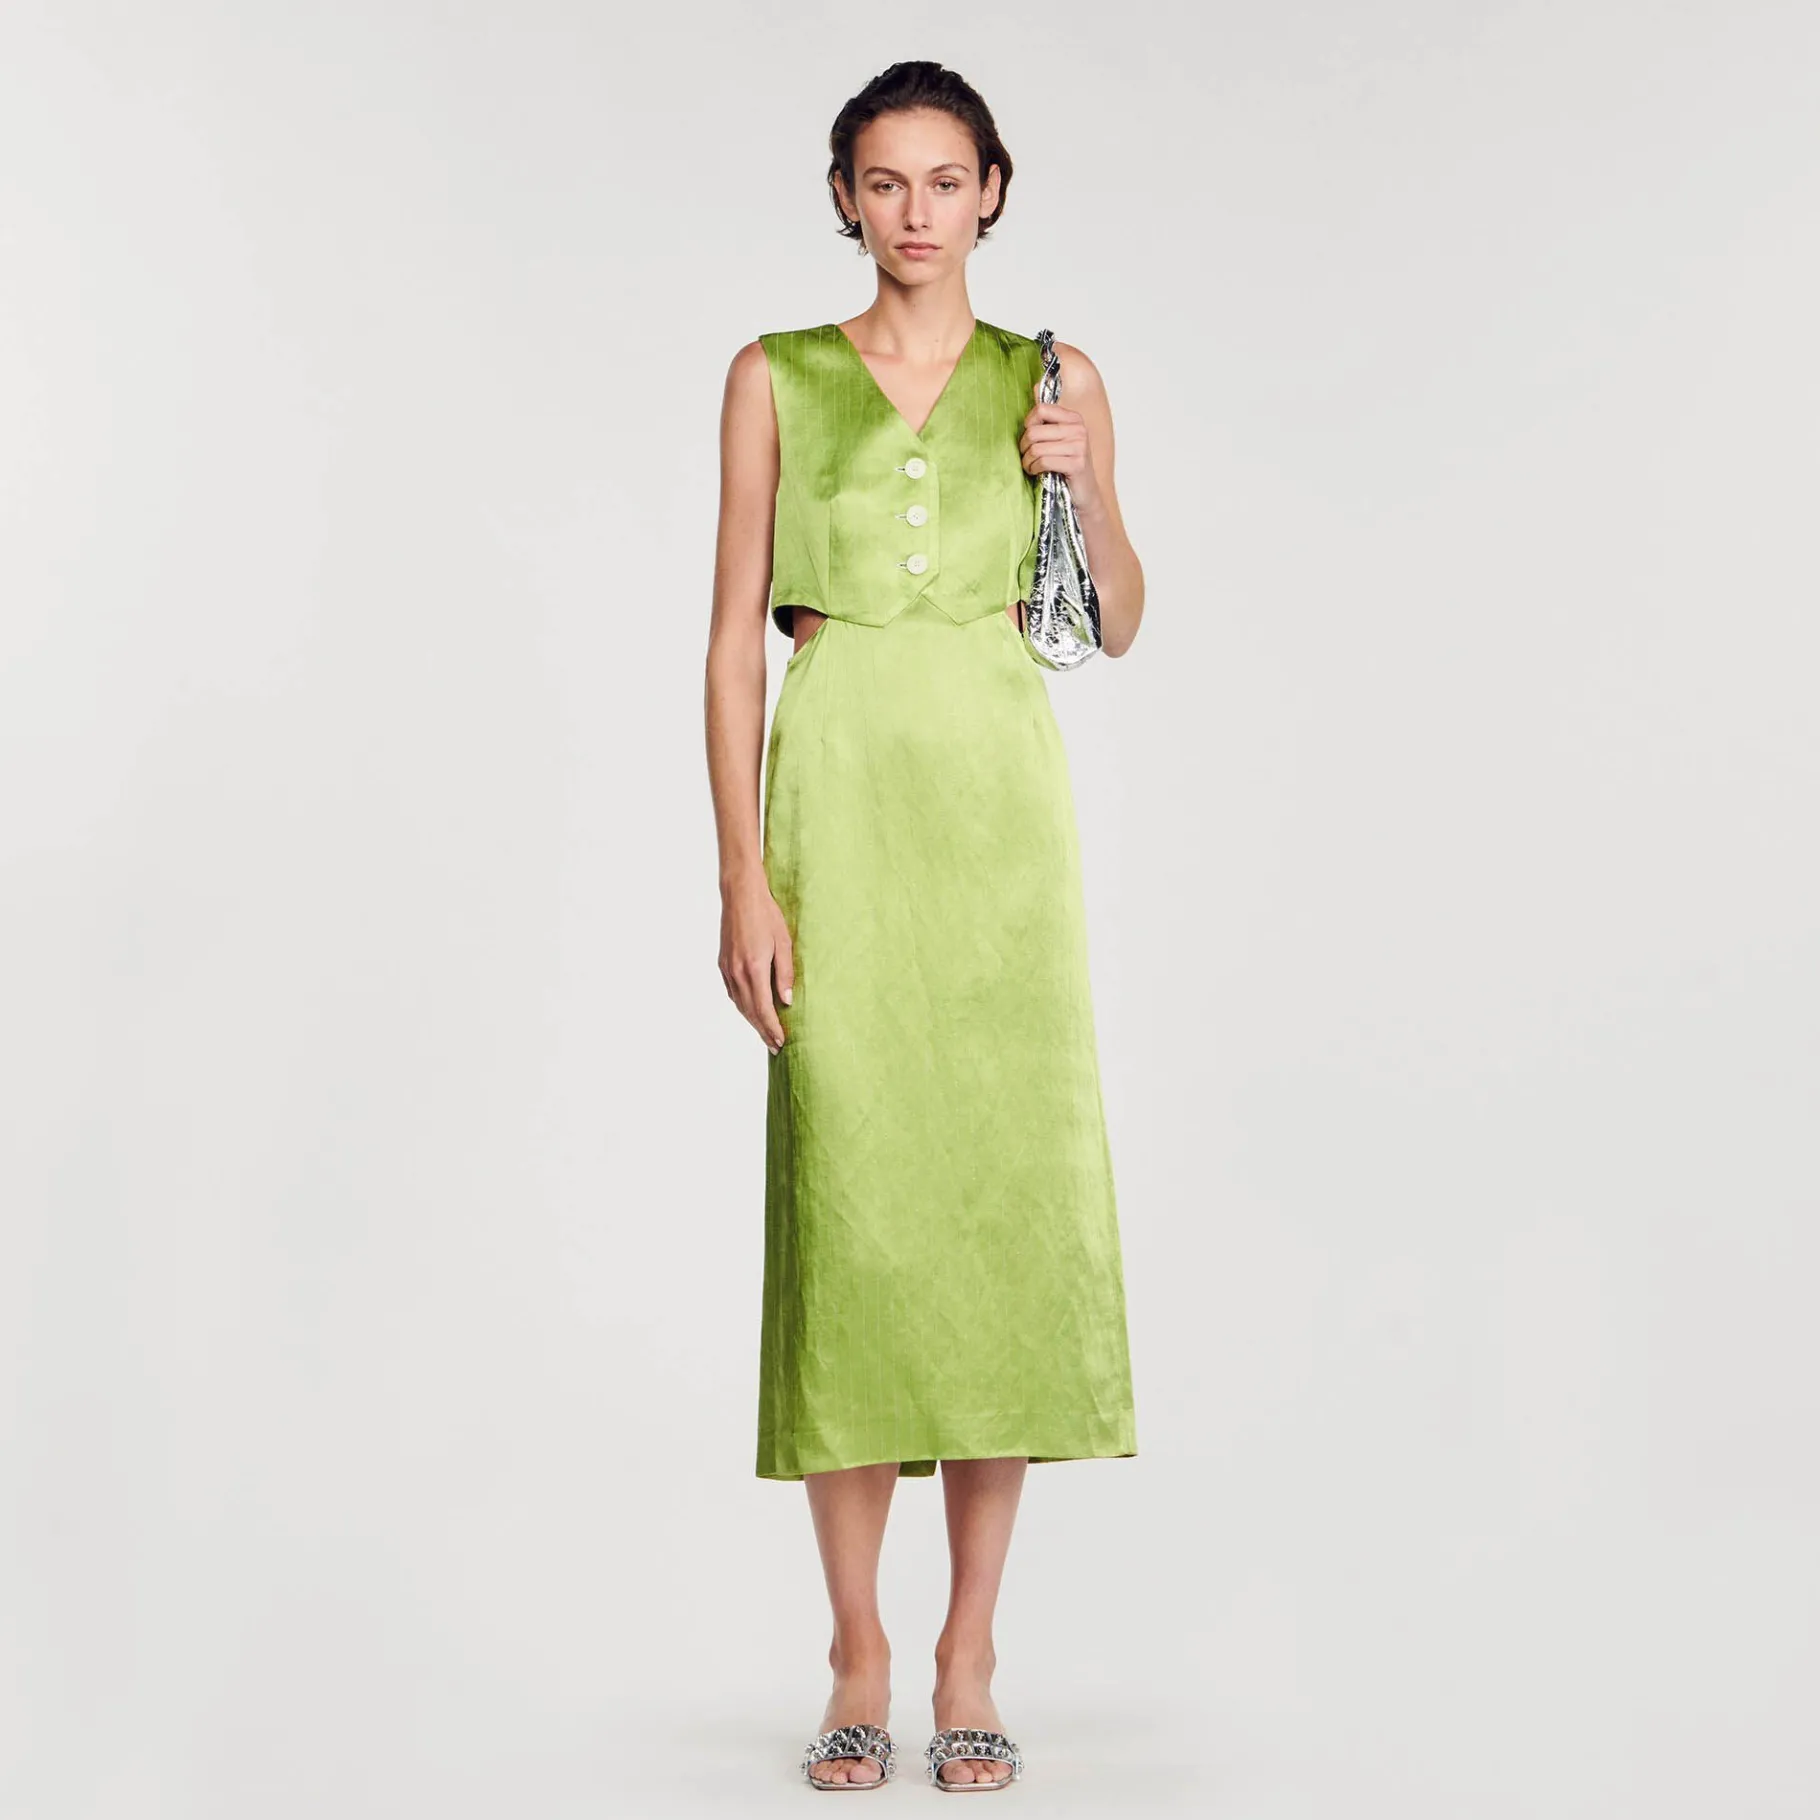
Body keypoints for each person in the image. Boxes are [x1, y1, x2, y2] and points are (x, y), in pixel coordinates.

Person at [704, 59, 1143, 1793]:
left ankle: (968, 1646)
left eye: (945, 181)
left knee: (991, 1223)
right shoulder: (773, 377)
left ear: (992, 192)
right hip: (838, 809)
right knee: (858, 1213)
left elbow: (1115, 619)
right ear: (843, 196)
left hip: (997, 822)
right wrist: (742, 875)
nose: (915, 212)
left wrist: (1088, 477)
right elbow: (731, 640)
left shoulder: (1055, 377)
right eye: (883, 182)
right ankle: (856, 1647)